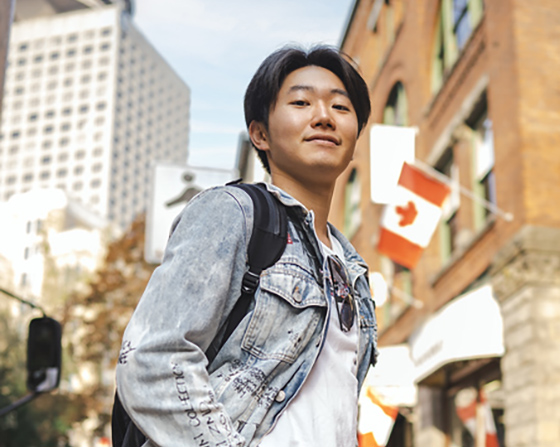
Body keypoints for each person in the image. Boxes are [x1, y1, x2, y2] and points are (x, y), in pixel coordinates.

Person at [116, 45, 377, 447]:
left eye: (341, 108)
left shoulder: (353, 271)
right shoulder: (233, 213)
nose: (324, 117)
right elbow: (152, 359)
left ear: (355, 136)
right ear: (260, 134)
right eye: (301, 102)